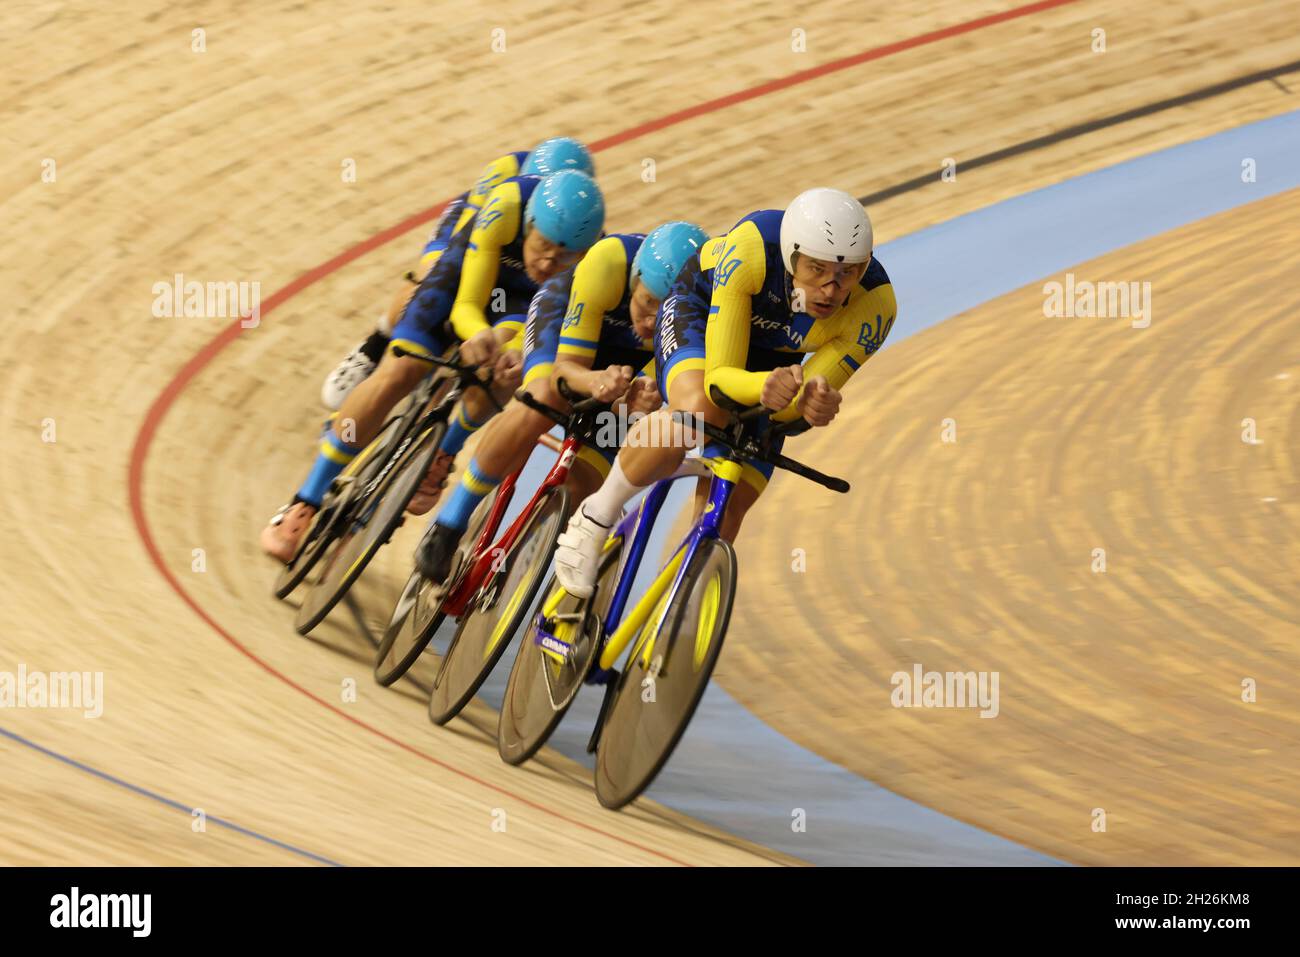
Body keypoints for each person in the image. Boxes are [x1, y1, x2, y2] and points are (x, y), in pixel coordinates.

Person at [552, 188, 897, 598]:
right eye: (816, 269)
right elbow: (718, 381)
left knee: (730, 506)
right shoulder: (751, 249)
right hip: (699, 314)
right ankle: (595, 516)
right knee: (698, 411)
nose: (830, 288)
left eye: (847, 273)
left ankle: (673, 619)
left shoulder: (876, 306)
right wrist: (766, 388)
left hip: (767, 365)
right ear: (792, 257)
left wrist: (809, 406)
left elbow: (787, 418)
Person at [261, 169, 606, 561]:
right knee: (401, 369)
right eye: (542, 245)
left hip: (520, 306)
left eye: (563, 256)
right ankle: (305, 500)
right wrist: (477, 333)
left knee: (503, 374)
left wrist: (505, 345)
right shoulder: (505, 208)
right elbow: (467, 304)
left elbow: (540, 323)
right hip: (463, 281)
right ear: (528, 223)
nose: (547, 262)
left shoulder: (589, 264)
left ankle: (444, 452)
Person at [411, 222, 710, 583]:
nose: (649, 321)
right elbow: (564, 371)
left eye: (662, 313)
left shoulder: (697, 318)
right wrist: (596, 381)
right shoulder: (607, 263)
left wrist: (641, 399)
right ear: (636, 276)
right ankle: (449, 523)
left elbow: (660, 392)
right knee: (542, 398)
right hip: (564, 323)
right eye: (647, 300)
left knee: (589, 474)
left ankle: (515, 566)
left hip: (623, 363)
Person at [321, 137, 595, 409]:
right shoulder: (505, 173)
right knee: (430, 276)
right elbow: (461, 248)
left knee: (501, 350)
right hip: (477, 236)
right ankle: (375, 343)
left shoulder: (576, 228)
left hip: (522, 271)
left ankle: (440, 409)